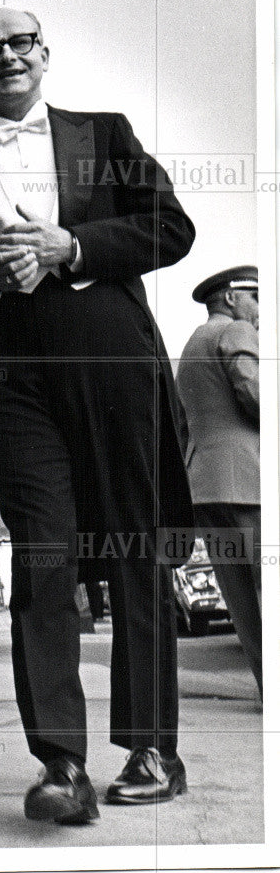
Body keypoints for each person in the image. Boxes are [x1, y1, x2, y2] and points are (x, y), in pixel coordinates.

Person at [0, 9, 195, 824]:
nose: (5, 56)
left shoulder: (103, 134)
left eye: (19, 43)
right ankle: (60, 766)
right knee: (42, 555)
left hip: (110, 357)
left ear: (44, 55)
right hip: (10, 374)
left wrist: (70, 247)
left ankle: (150, 749)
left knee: (133, 547)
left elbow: (170, 228)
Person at [175, 266, 261, 693]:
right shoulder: (238, 332)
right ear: (231, 298)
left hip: (206, 490)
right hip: (250, 483)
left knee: (243, 602)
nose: (260, 310)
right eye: (256, 298)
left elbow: (181, 428)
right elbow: (253, 393)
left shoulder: (191, 348)